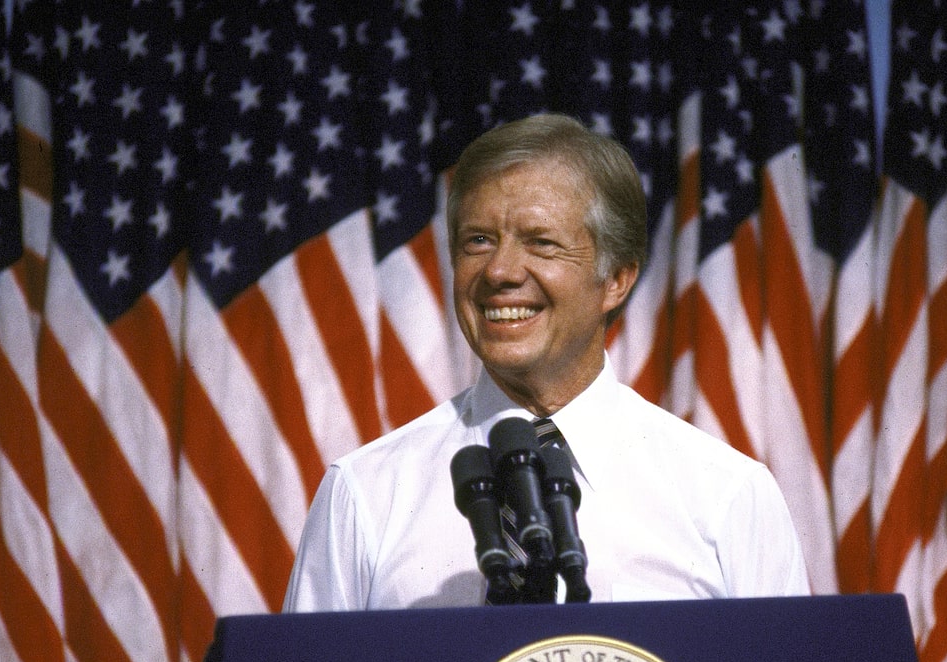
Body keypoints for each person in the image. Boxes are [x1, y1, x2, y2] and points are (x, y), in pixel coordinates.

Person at [284, 114, 808, 611]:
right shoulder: (364, 494)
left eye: (541, 243)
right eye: (478, 241)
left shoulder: (727, 496)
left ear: (616, 280)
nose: (500, 271)